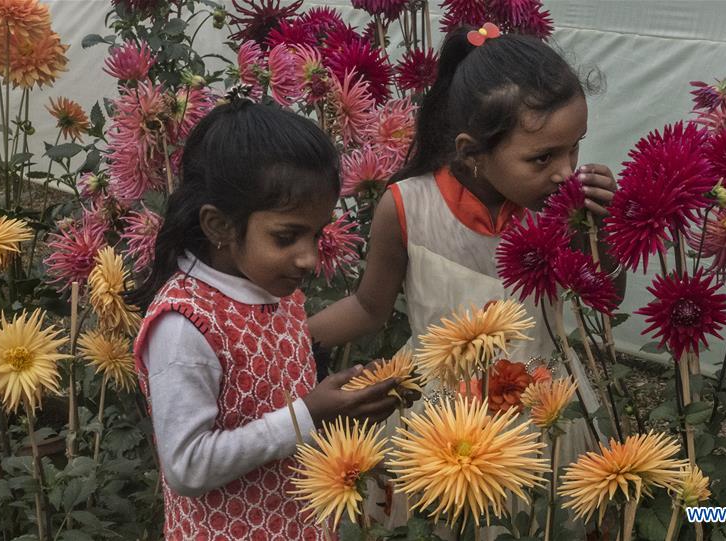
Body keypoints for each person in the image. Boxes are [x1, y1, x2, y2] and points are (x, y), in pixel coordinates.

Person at [307, 25, 625, 532]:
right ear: (472, 152)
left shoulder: (562, 211)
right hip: (438, 424)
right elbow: (369, 307)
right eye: (542, 157)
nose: (567, 172)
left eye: (575, 149)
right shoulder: (407, 206)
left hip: (544, 412)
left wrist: (602, 235)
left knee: (541, 522)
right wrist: (291, 341)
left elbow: (608, 299)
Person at [129, 101, 402, 541]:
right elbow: (187, 466)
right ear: (219, 225)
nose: (310, 258)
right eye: (286, 236)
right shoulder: (185, 326)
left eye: (317, 234)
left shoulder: (273, 289)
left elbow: (276, 393)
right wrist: (307, 415)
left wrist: (342, 405)